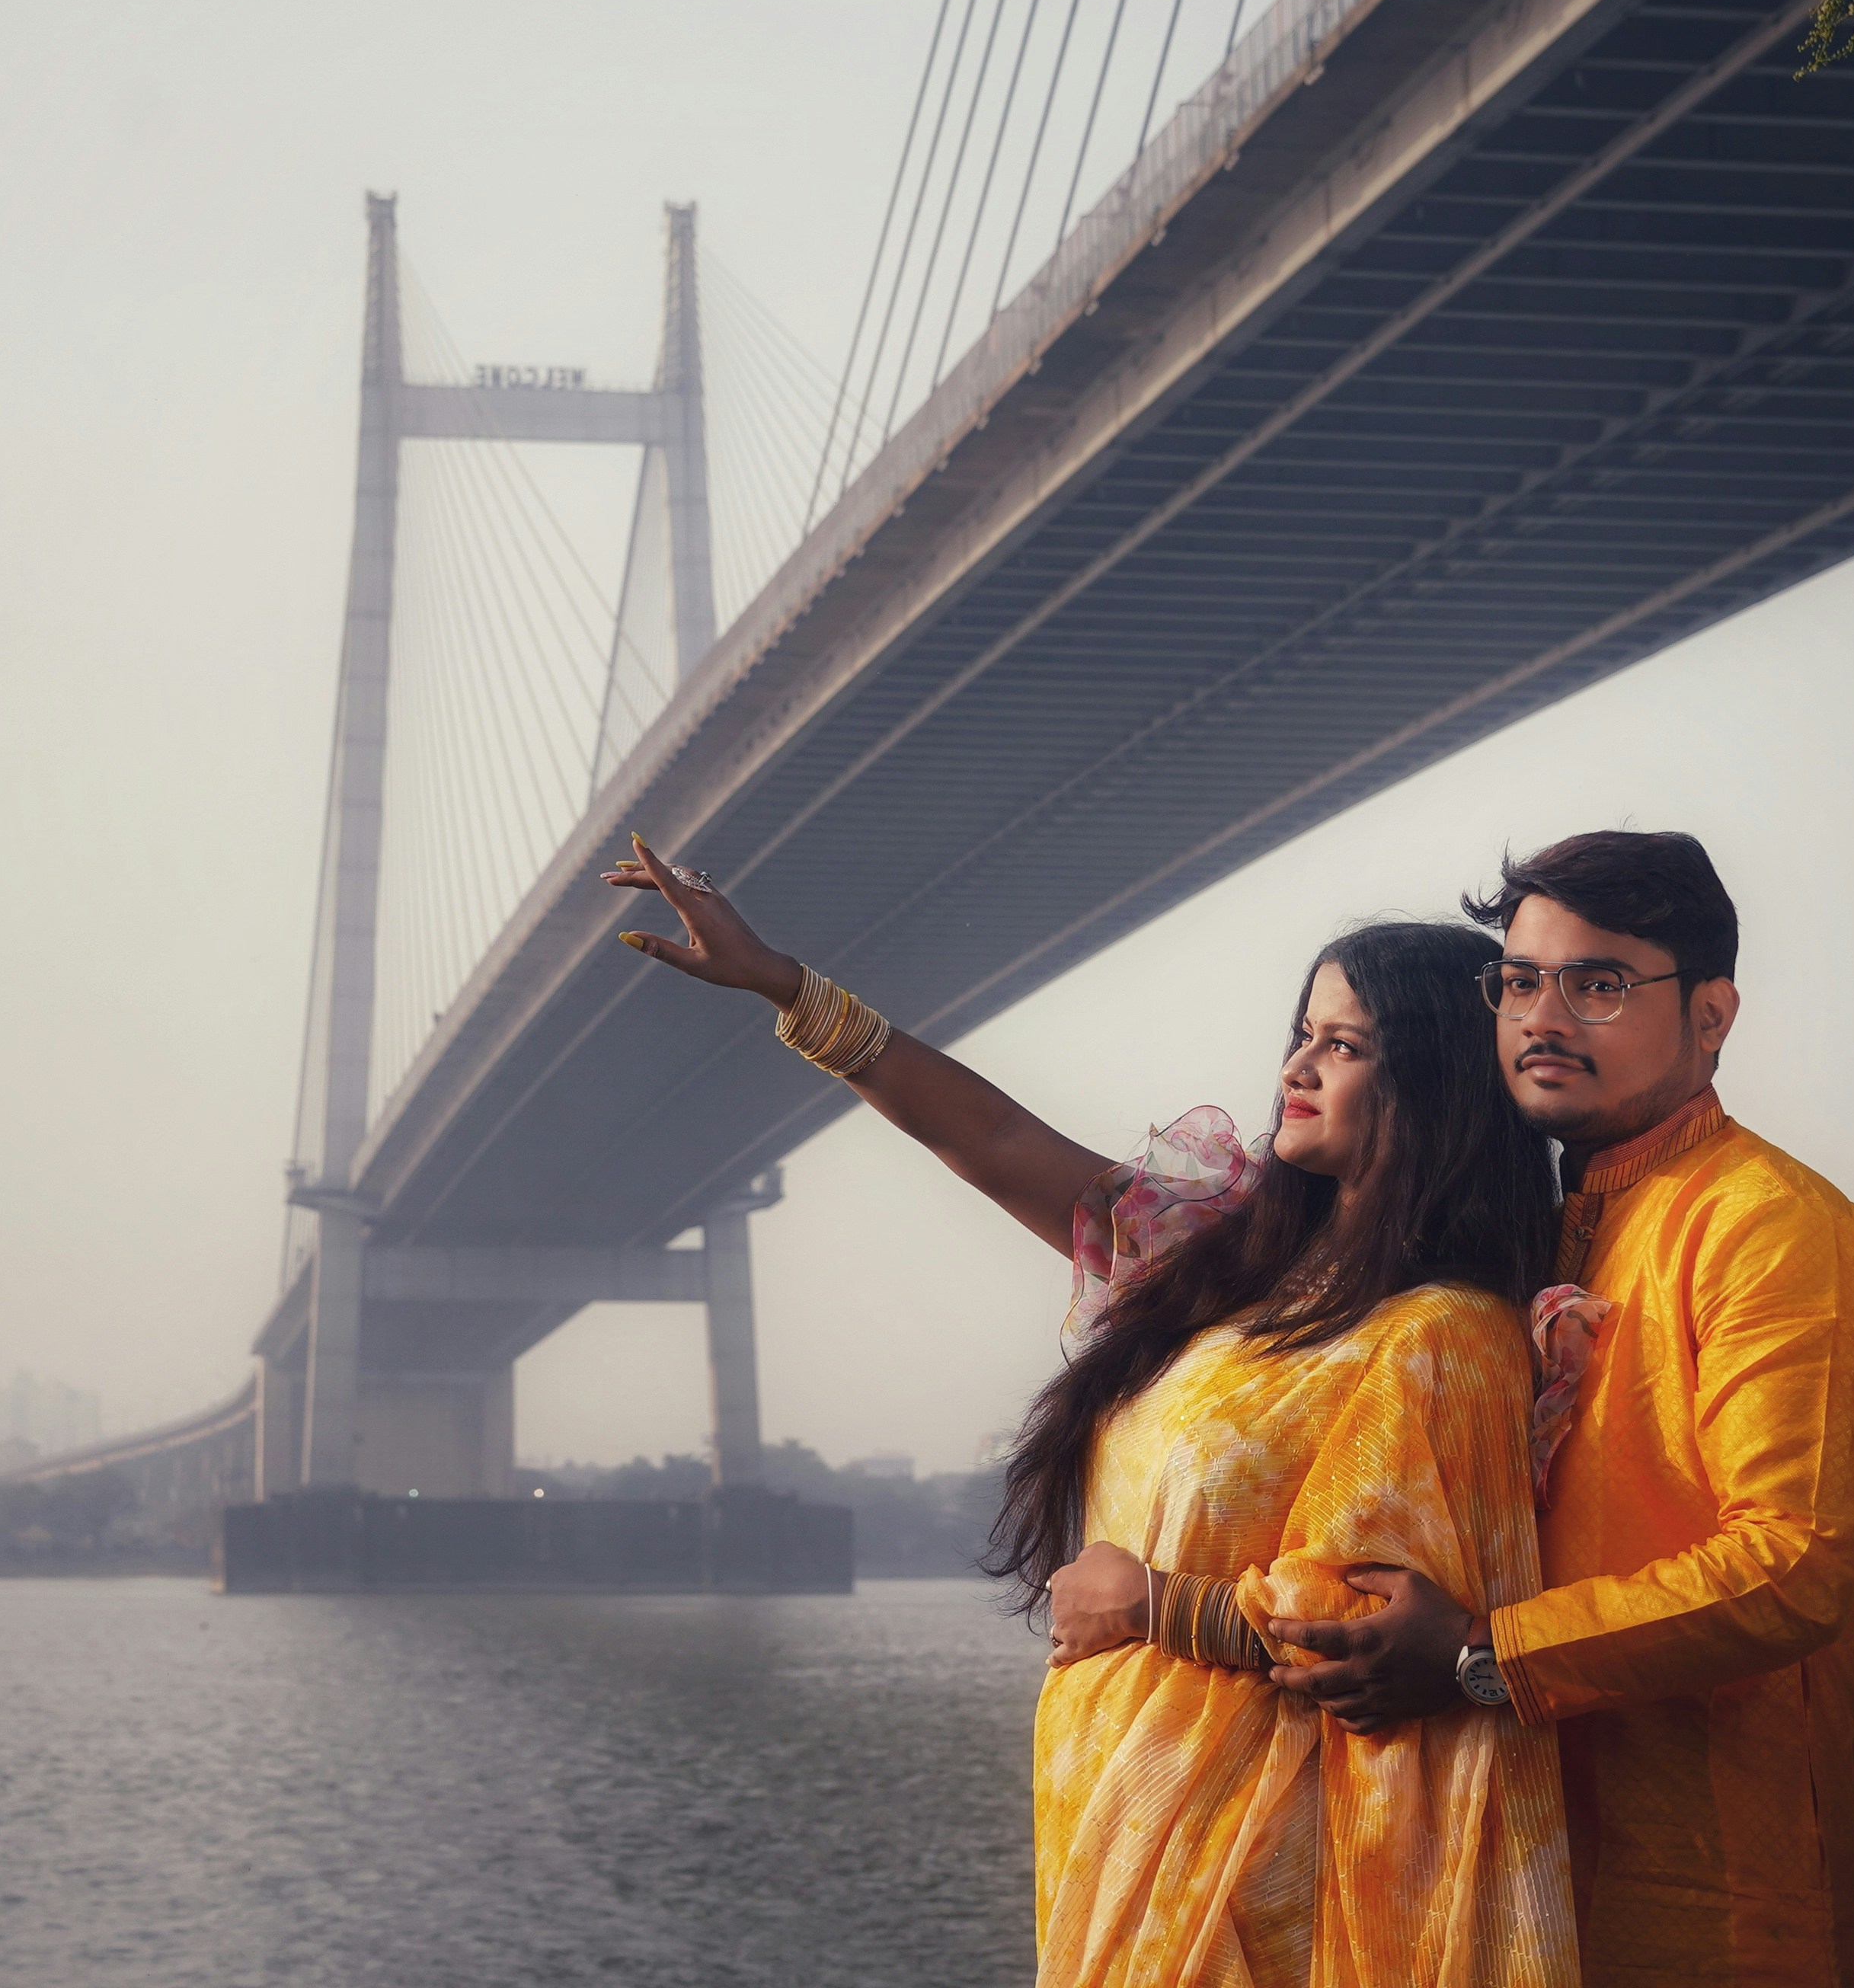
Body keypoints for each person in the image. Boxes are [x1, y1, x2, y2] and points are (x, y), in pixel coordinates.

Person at [601, 841, 1580, 1986]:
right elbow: (998, 1146)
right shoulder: (1234, 1271)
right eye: (1301, 1035)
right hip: (1122, 1826)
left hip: (1263, 1882)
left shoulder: (1443, 1337)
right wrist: (784, 986)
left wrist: (1150, 1603)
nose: (1297, 1070)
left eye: (1346, 1046)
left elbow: (1381, 1640)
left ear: (1437, 1084)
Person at [1258, 831, 1854, 1988]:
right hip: (1536, 1866)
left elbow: (1793, 1563)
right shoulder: (1539, 1225)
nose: (1543, 1019)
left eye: (1599, 984)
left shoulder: (1773, 1231)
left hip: (1732, 1895)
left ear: (1712, 1016)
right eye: (1517, 983)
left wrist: (1480, 1655)